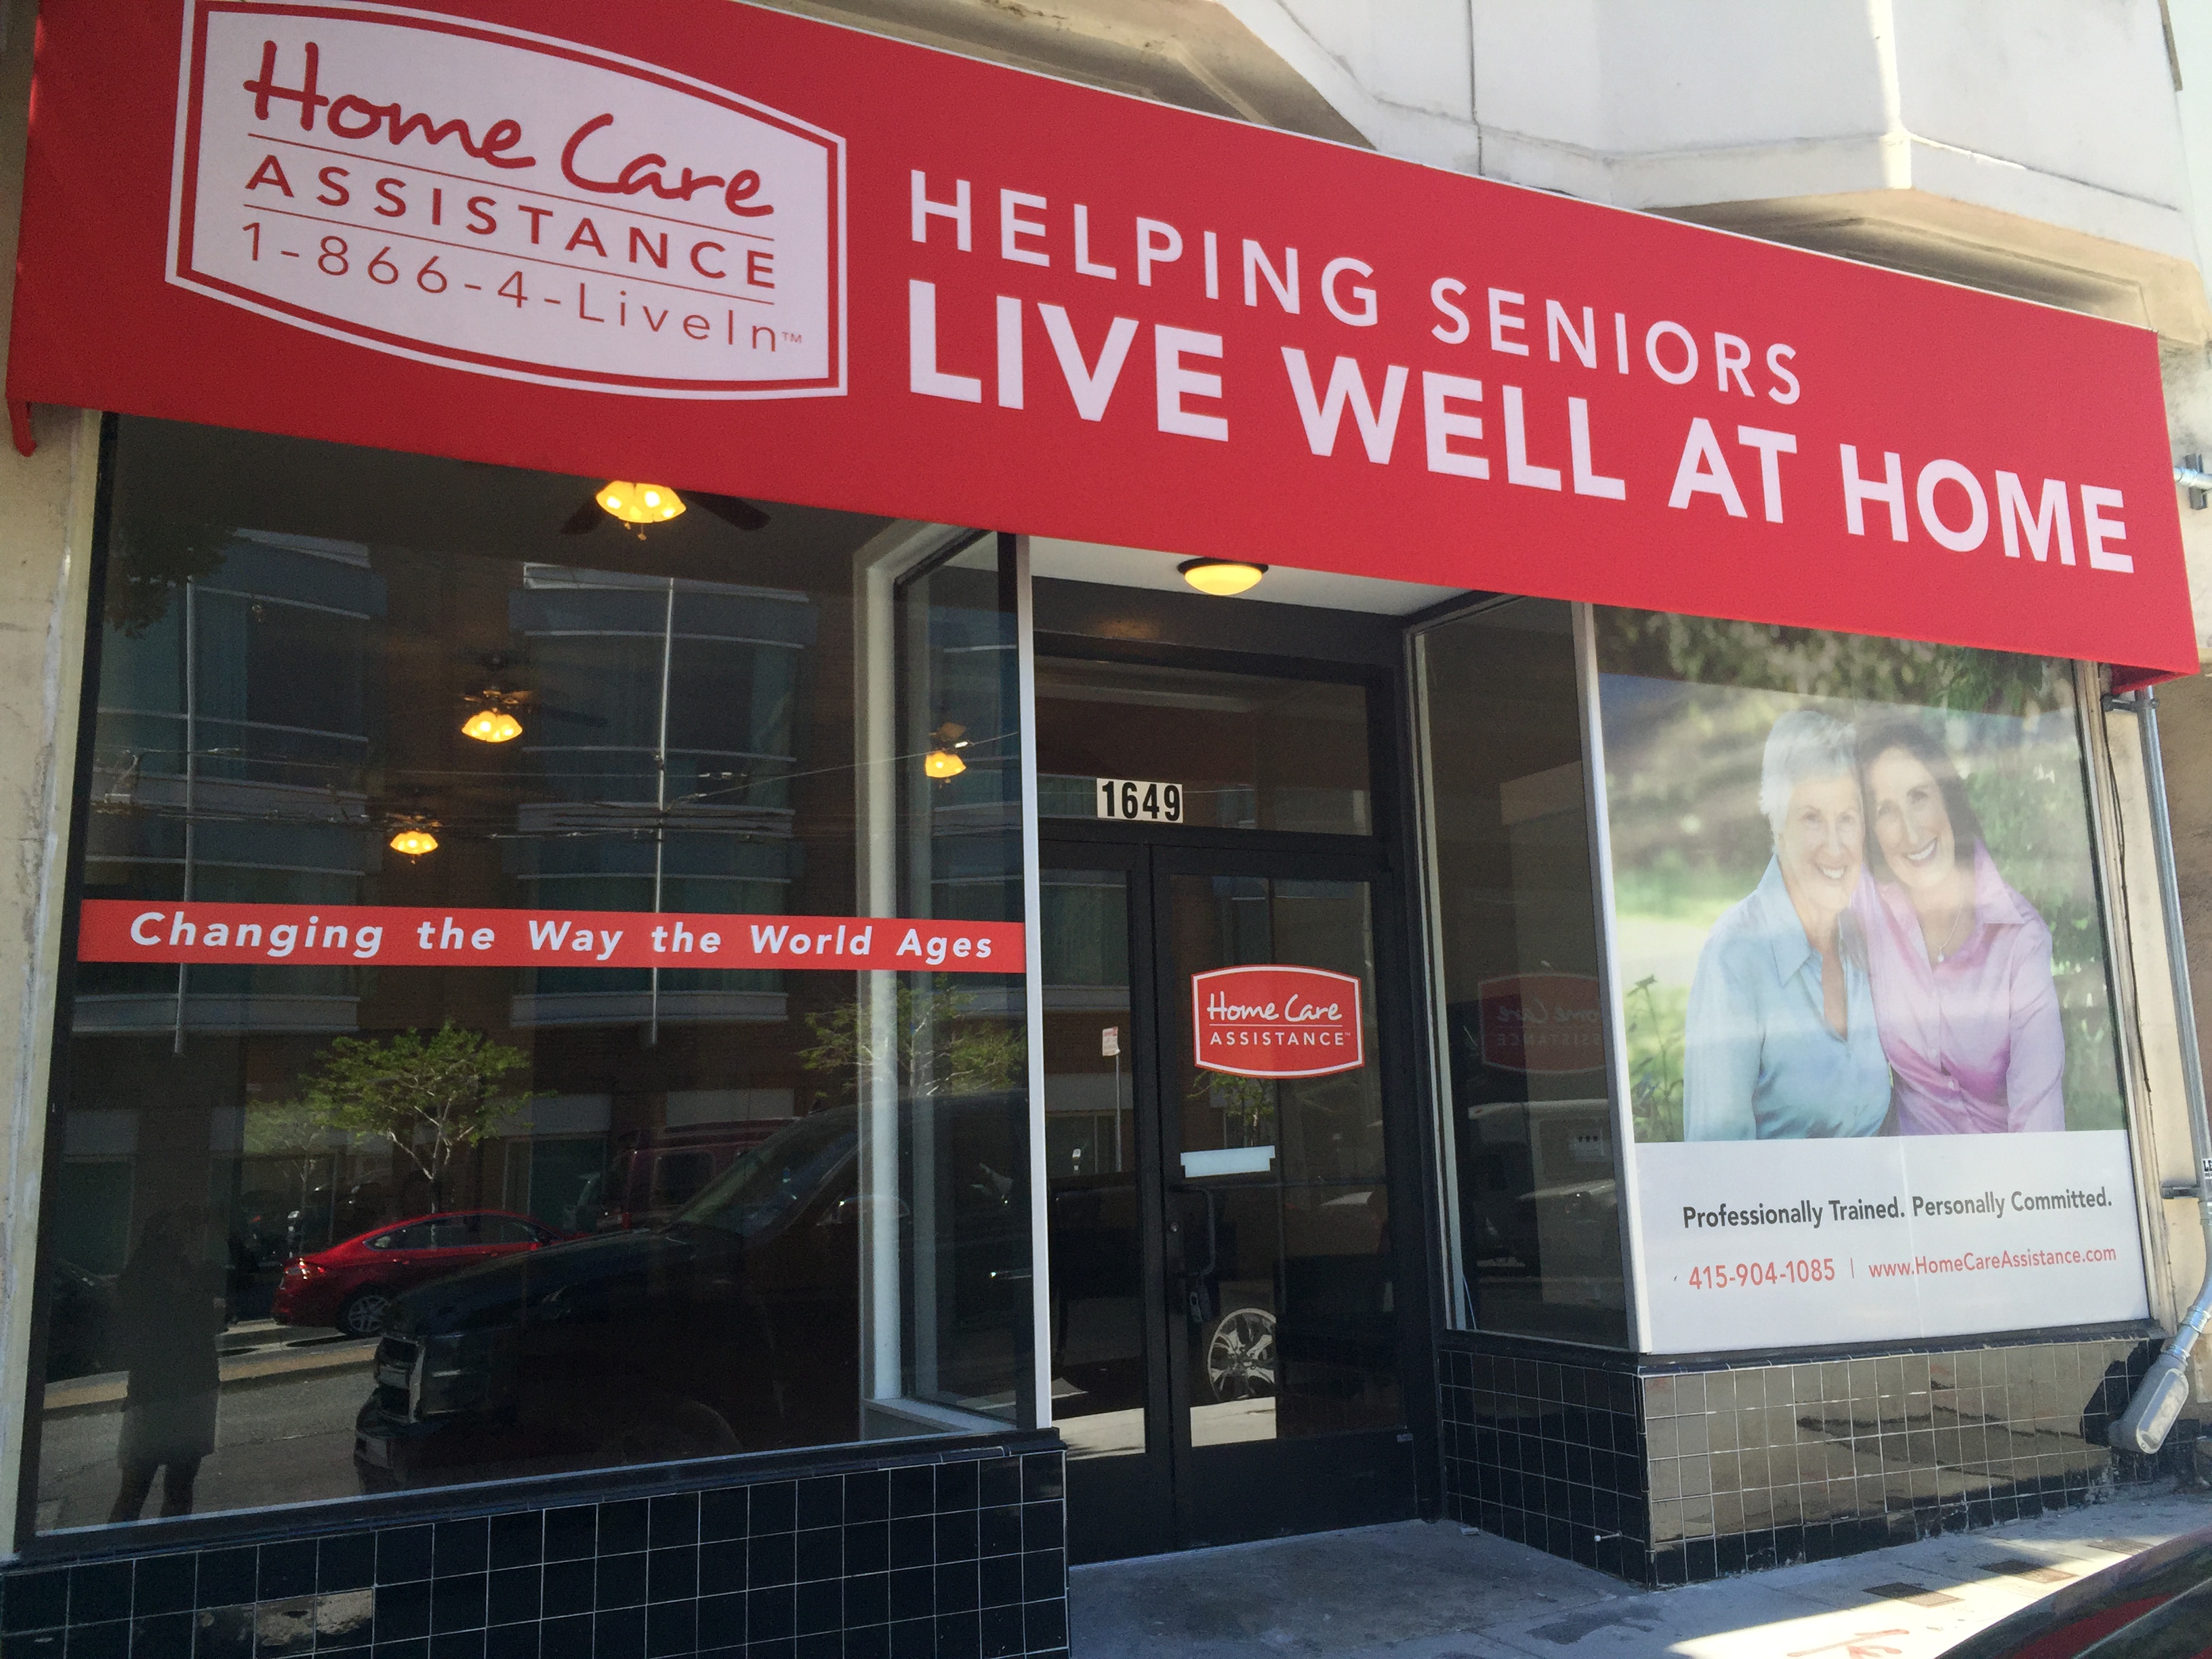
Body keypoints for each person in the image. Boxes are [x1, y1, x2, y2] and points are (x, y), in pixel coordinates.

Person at [1683, 709, 1891, 1139]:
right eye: (1812, 818)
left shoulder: (1867, 941)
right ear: (1777, 826)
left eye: (1847, 818)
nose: (1835, 845)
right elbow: (1716, 1162)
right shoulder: (1734, 957)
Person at [1853, 716, 2064, 1134]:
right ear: (1873, 832)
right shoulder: (1870, 904)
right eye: (1886, 811)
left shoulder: (2020, 940)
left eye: (1919, 797)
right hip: (1905, 1172)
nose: (1911, 831)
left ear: (1947, 798)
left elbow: (2040, 1123)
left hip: (2005, 1173)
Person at [108, 1207, 224, 1522]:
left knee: (176, 1485)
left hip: (191, 1387)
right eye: (174, 1235)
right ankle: (125, 1546)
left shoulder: (189, 1274)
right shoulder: (142, 1281)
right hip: (159, 1391)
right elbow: (139, 1335)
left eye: (185, 1234)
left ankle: (168, 1542)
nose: (183, 1240)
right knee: (139, 1487)